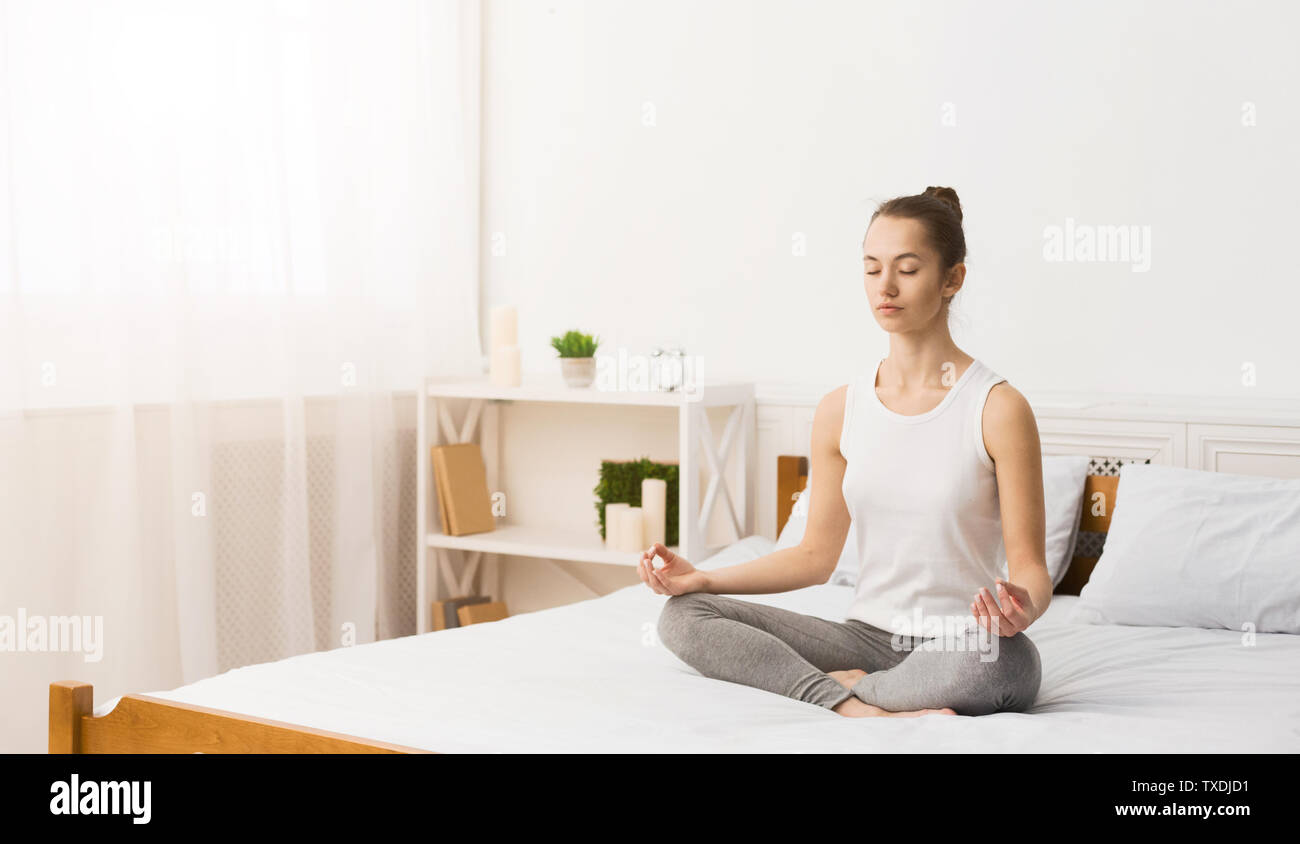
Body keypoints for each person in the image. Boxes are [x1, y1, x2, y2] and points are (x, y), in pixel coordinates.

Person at [641, 186, 1046, 717]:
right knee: (683, 615)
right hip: (865, 640)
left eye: (907, 268)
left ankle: (857, 690)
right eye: (872, 268)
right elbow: (815, 557)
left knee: (1008, 663)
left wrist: (1021, 610)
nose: (886, 286)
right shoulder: (841, 408)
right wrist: (704, 578)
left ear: (953, 279)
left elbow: (1032, 569)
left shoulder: (997, 407)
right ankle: (851, 701)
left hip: (963, 644)